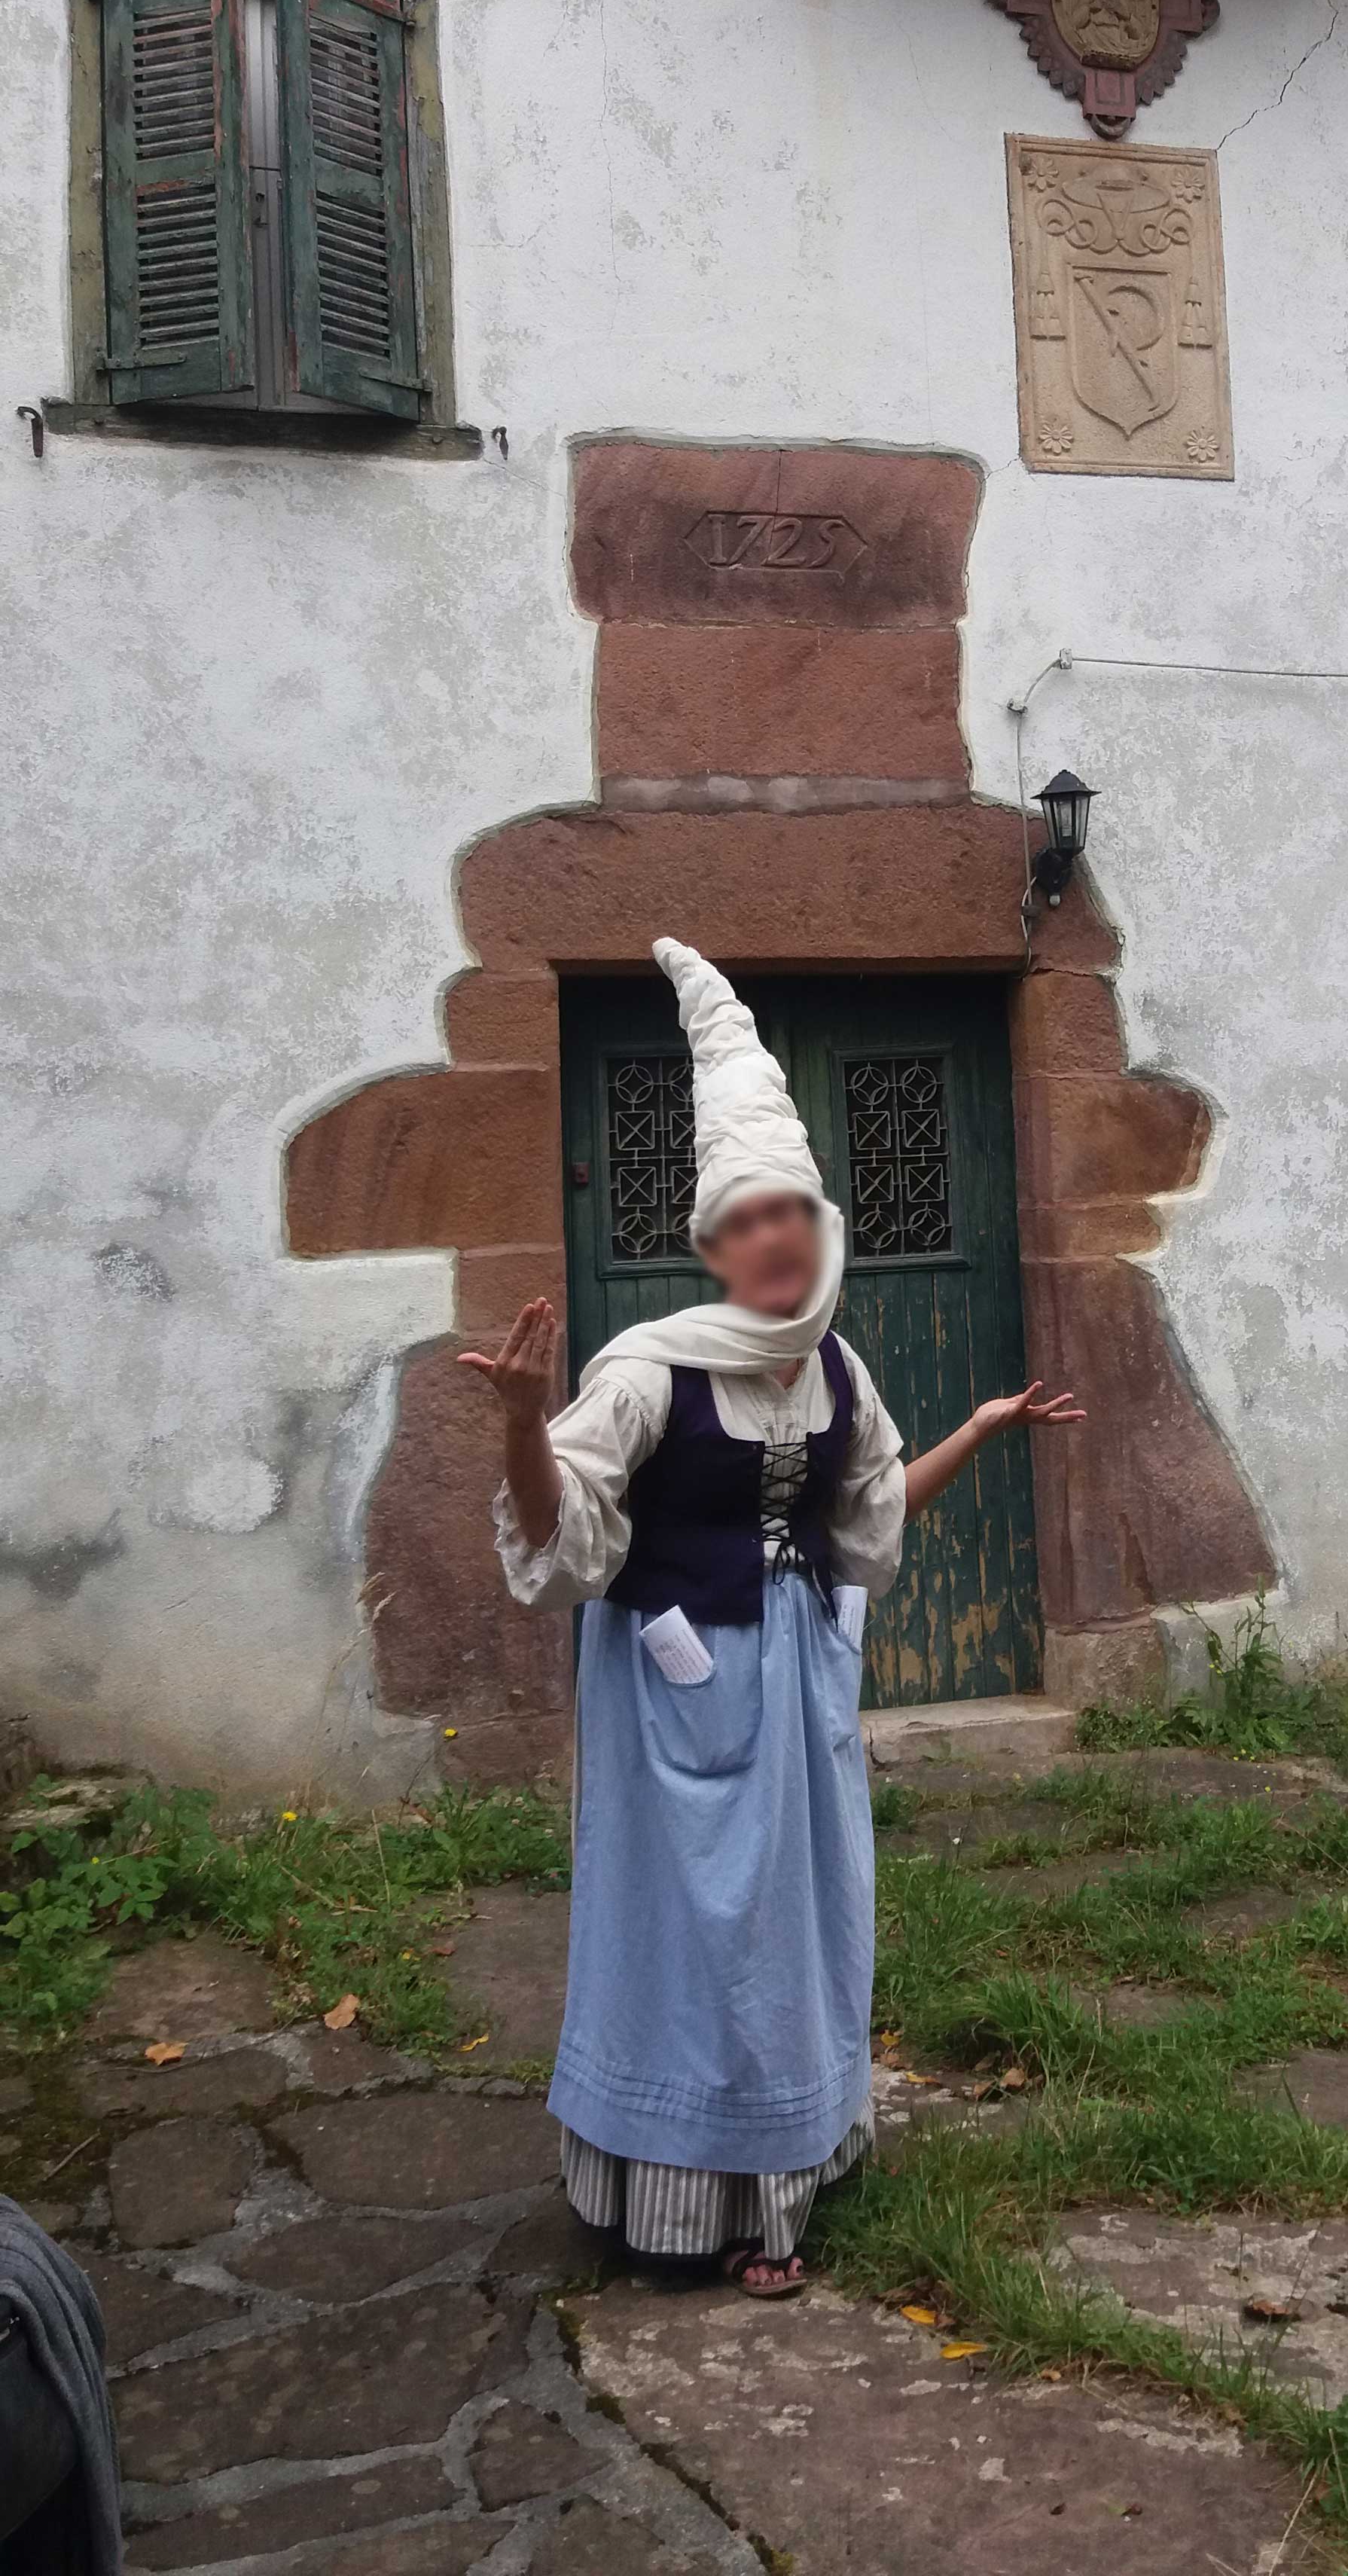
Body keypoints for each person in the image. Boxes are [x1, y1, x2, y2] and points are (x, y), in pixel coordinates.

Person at [464, 938, 1083, 2301]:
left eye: (788, 1212)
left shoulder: (838, 1367)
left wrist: (976, 1431)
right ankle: (678, 2186)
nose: (770, 1238)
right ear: (712, 1245)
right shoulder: (648, 1367)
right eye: (742, 1220)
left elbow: (866, 1521)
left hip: (795, 1682)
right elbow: (562, 1536)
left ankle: (784, 2169)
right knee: (690, 1924)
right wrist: (521, 1425)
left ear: (818, 1226)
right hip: (675, 1691)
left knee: (799, 1915)